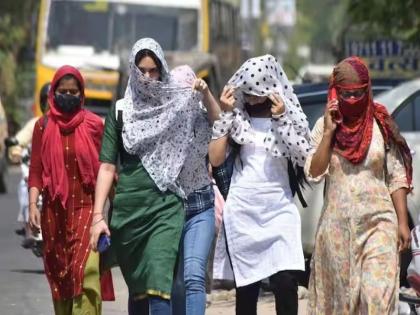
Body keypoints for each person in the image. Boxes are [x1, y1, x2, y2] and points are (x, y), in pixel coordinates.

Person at [89, 38, 209, 315]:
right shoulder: (121, 111)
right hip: (129, 212)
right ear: (132, 70)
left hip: (165, 208)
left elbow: (212, 124)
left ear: (162, 70)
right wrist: (98, 217)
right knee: (139, 288)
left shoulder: (177, 107)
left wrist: (205, 95)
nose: (147, 77)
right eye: (141, 70)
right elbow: (107, 166)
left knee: (159, 283)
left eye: (153, 70)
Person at [305, 56, 412, 314]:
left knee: (376, 296)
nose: (352, 100)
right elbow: (314, 171)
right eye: (346, 94)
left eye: (358, 93)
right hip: (337, 231)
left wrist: (402, 222)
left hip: (379, 224)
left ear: (368, 89)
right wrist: (330, 134)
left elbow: (397, 174)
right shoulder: (324, 125)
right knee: (341, 306)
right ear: (335, 91)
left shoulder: (380, 124)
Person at [209, 54, 311, 315]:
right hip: (244, 213)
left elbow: (303, 156)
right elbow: (216, 158)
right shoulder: (238, 116)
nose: (253, 98)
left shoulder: (289, 116)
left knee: (286, 282)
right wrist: (227, 113)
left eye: (258, 92)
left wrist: (282, 119)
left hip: (279, 210)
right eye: (249, 92)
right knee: (247, 290)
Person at [28, 65, 113, 314]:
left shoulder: (94, 125)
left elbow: (106, 169)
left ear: (82, 93)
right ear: (53, 93)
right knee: (62, 281)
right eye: (62, 91)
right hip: (54, 216)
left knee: (87, 273)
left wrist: (116, 206)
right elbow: (35, 171)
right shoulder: (42, 127)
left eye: (73, 91)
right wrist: (33, 204)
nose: (68, 95)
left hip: (87, 211)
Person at [169, 65, 220, 315]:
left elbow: (221, 123)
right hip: (169, 208)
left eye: (186, 92)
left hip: (200, 207)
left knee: (193, 275)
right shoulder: (162, 121)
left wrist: (206, 93)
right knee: (174, 282)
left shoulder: (203, 116)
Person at [8, 82, 50, 249]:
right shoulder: (36, 124)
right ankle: (29, 226)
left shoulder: (66, 124)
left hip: (58, 174)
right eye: (46, 100)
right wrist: (16, 151)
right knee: (25, 187)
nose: (50, 104)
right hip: (38, 171)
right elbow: (19, 141)